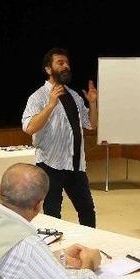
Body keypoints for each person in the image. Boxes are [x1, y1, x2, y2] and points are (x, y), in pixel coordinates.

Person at [22, 47, 98, 227]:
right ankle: (52, 252)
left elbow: (91, 125)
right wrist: (50, 105)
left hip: (75, 164)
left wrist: (93, 103)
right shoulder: (38, 97)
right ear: (48, 69)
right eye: (60, 63)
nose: (66, 67)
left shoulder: (74, 95)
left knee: (87, 210)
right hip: (50, 165)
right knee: (52, 214)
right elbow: (30, 128)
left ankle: (88, 247)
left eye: (67, 63)